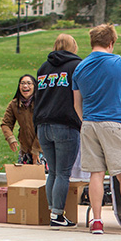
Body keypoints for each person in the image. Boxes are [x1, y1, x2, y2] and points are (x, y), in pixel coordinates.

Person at [72, 23, 121, 234]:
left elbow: (76, 104)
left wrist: (85, 120)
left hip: (89, 124)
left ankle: (96, 220)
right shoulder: (119, 62)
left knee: (96, 173)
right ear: (111, 42)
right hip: (114, 122)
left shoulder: (80, 67)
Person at [34, 33, 83, 228]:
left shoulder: (43, 68)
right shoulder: (76, 66)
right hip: (65, 124)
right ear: (73, 46)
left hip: (43, 124)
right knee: (63, 173)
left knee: (52, 172)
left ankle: (52, 212)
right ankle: (57, 215)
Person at [1, 74, 42, 165]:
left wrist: (36, 149)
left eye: (29, 83)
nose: (25, 86)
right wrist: (11, 138)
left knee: (42, 177)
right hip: (25, 150)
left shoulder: (40, 104)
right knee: (25, 177)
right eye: (22, 83)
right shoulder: (14, 104)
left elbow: (43, 127)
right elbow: (6, 124)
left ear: (34, 86)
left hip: (42, 149)